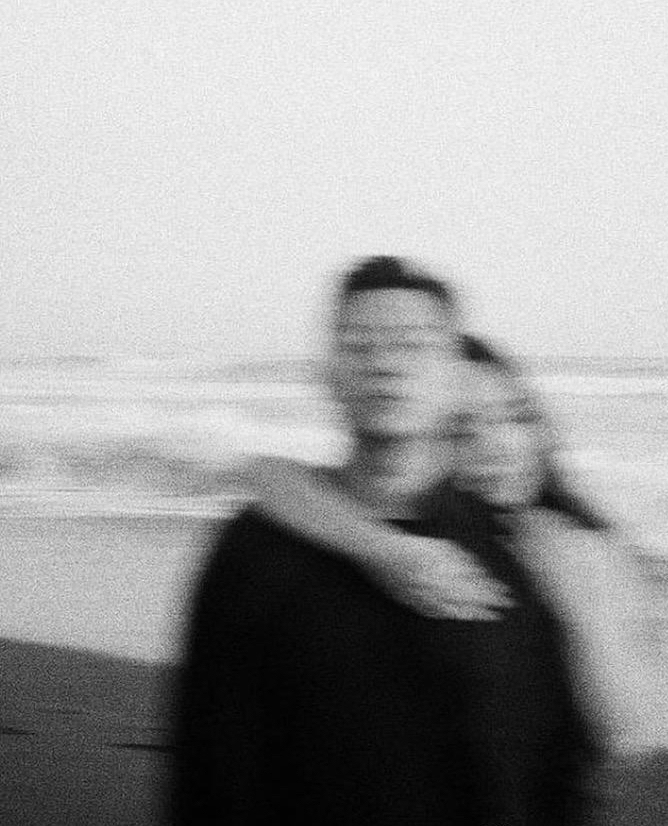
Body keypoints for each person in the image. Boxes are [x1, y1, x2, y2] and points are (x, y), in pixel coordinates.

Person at [172, 256, 614, 825]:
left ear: (455, 377)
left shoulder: (522, 553)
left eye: (413, 345)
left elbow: (557, 770)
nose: (385, 364)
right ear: (328, 374)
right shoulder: (255, 547)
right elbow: (209, 762)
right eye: (360, 345)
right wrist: (381, 547)